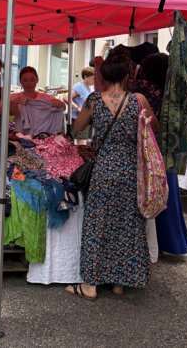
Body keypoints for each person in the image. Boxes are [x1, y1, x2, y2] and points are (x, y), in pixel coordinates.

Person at [66, 49, 158, 300]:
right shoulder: (139, 100)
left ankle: (90, 285)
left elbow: (77, 128)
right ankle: (119, 281)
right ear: (128, 76)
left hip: (104, 169)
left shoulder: (95, 100)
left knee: (98, 224)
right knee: (127, 224)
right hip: (130, 169)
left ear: (104, 77)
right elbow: (154, 128)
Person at [134, 53, 187, 256]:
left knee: (148, 193)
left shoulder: (139, 90)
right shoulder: (171, 92)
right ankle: (172, 242)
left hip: (144, 147)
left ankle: (152, 243)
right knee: (167, 194)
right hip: (166, 148)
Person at [9, 66, 66, 134]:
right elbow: (9, 112)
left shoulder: (46, 97)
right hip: (21, 135)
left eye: (32, 80)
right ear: (20, 82)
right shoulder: (15, 97)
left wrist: (60, 103)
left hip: (43, 136)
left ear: (37, 80)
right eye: (25, 80)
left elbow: (63, 108)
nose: (29, 83)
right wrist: (15, 103)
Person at [65, 67, 95, 144]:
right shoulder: (78, 86)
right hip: (79, 119)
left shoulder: (89, 87)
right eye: (93, 78)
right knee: (82, 144)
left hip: (87, 119)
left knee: (86, 144)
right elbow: (66, 98)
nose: (94, 80)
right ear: (85, 76)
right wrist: (78, 108)